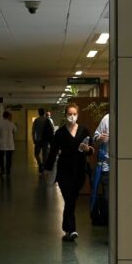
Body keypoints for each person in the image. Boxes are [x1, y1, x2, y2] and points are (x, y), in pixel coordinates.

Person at [44, 103, 94, 241]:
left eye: (74, 114)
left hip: (79, 170)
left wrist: (87, 149)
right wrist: (47, 169)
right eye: (69, 114)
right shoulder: (60, 133)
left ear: (77, 115)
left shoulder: (84, 131)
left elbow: (91, 150)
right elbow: (53, 151)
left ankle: (67, 229)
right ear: (66, 115)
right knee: (69, 198)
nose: (72, 117)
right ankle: (71, 229)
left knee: (72, 199)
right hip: (64, 170)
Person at [90, 113, 110, 224]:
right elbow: (95, 137)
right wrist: (100, 138)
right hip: (107, 166)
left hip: (124, 167)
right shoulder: (107, 118)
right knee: (107, 198)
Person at [0, 110, 17, 176]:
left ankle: (2, 170)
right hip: (10, 144)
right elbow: (15, 131)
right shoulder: (11, 123)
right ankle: (8, 171)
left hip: (2, 144)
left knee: (1, 158)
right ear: (8, 116)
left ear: (3, 116)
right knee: (9, 158)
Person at [31, 108, 53, 173]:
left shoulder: (36, 120)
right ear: (44, 113)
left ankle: (40, 165)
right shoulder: (47, 120)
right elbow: (51, 130)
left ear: (38, 112)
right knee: (45, 154)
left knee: (36, 154)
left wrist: (33, 139)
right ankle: (44, 167)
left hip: (38, 139)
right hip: (45, 140)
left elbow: (33, 130)